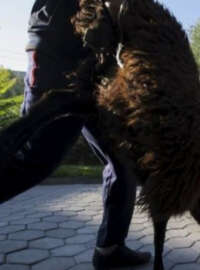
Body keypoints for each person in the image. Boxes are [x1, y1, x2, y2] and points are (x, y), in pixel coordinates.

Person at [1, 0, 150, 269]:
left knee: (123, 154)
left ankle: (110, 248)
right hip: (57, 52)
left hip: (95, 64)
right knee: (34, 158)